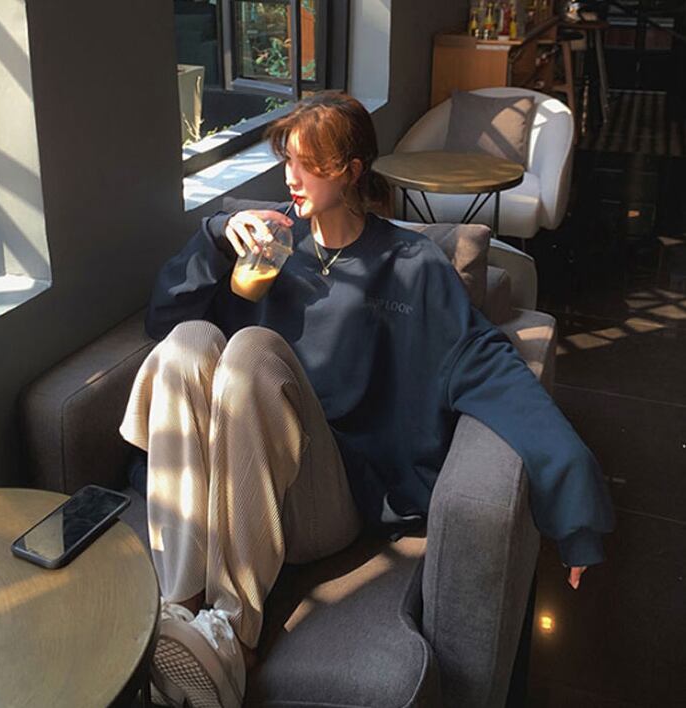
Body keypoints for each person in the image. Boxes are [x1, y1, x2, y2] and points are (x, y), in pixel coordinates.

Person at [119, 90, 615, 708]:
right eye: (287, 159)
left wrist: (573, 490)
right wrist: (216, 238)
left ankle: (232, 634)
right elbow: (163, 320)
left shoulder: (409, 265)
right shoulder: (269, 244)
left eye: (309, 164)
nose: (290, 177)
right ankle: (183, 607)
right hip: (234, 485)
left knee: (251, 350)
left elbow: (487, 365)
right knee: (189, 341)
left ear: (351, 171)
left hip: (331, 497)